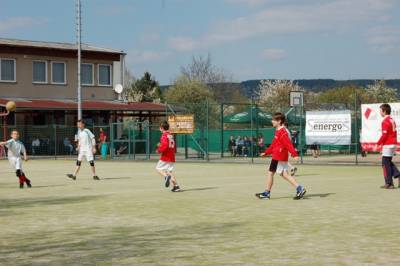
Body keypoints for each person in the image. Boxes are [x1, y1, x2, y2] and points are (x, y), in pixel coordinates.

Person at [256, 113, 306, 200]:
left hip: (278, 155)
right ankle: (299, 188)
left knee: (271, 173)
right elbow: (274, 144)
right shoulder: (278, 131)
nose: (272, 121)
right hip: (278, 155)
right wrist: (266, 152)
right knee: (284, 174)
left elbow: (288, 144)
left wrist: (294, 154)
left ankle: (266, 193)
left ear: (279, 121)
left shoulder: (282, 132)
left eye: (274, 120)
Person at [373, 104, 400, 189]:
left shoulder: (385, 121)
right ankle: (397, 175)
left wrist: (377, 144)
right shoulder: (392, 119)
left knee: (385, 164)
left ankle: (389, 183)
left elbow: (384, 135)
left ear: (384, 111)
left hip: (388, 144)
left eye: (381, 111)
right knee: (387, 162)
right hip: (393, 143)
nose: (380, 112)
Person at [156, 120, 181, 192]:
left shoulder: (164, 135)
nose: (159, 129)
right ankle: (176, 186)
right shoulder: (170, 135)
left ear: (162, 128)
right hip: (171, 156)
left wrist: (159, 150)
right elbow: (170, 145)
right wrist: (161, 146)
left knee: (158, 168)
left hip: (166, 156)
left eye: (159, 128)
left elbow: (165, 145)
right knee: (169, 172)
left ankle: (166, 177)